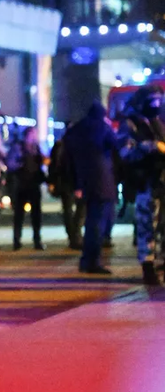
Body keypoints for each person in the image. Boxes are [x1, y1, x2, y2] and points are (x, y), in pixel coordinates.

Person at [116, 85, 165, 286]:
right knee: (147, 226)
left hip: (161, 181)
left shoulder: (156, 121)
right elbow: (124, 153)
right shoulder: (130, 123)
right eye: (153, 100)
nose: (157, 104)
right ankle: (148, 266)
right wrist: (151, 147)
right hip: (146, 182)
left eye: (159, 100)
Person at [66, 101, 117, 275]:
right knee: (98, 223)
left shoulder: (76, 130)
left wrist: (76, 183)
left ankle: (86, 260)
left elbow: (69, 157)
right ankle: (93, 261)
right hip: (103, 181)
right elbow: (115, 145)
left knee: (90, 221)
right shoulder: (103, 128)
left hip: (85, 181)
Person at [7, 128, 46, 250]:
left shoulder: (36, 148)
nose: (34, 136)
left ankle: (36, 240)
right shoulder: (18, 147)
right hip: (21, 184)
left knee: (36, 215)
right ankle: (17, 241)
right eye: (32, 134)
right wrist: (20, 165)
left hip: (33, 184)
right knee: (19, 214)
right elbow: (10, 163)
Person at [48, 125, 83, 250]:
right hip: (70, 182)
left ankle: (73, 236)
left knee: (69, 211)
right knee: (79, 210)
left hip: (64, 182)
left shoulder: (60, 145)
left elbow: (53, 165)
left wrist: (52, 181)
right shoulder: (75, 146)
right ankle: (75, 236)